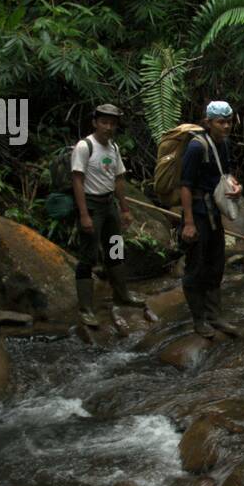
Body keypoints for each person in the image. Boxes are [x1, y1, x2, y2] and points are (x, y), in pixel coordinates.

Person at [71, 103, 145, 327]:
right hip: (92, 206)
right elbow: (77, 180)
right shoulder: (85, 147)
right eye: (104, 122)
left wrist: (124, 209)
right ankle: (86, 309)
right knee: (88, 257)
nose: (108, 127)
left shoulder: (113, 148)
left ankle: (122, 295)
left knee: (115, 248)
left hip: (109, 205)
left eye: (112, 123)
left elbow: (119, 179)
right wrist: (84, 215)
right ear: (95, 122)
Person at [179, 100, 242, 338]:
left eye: (229, 121)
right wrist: (188, 223)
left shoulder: (224, 145)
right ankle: (199, 320)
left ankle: (215, 316)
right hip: (197, 212)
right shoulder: (197, 147)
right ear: (208, 123)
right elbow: (185, 186)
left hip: (214, 213)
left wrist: (238, 187)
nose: (226, 126)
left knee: (216, 264)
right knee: (196, 265)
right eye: (221, 122)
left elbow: (226, 174)